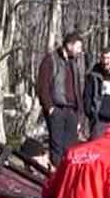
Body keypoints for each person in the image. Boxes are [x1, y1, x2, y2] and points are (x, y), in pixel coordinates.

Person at [35, 32, 85, 164]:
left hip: (72, 111)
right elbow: (43, 86)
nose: (80, 51)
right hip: (57, 109)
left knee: (71, 148)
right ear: (69, 45)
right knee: (56, 147)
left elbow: (77, 89)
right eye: (78, 47)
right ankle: (55, 176)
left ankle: (67, 176)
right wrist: (50, 108)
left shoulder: (74, 63)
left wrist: (79, 113)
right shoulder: (50, 60)